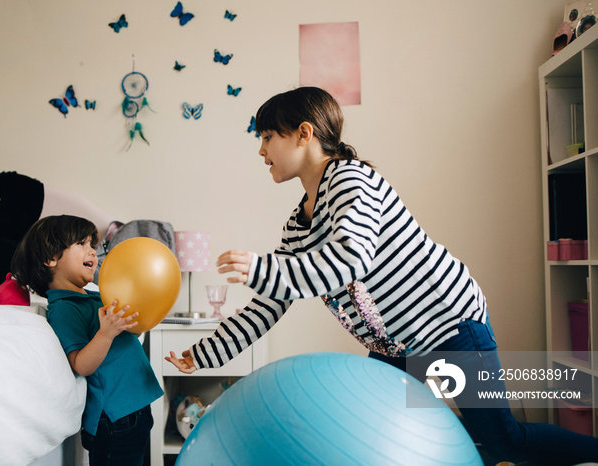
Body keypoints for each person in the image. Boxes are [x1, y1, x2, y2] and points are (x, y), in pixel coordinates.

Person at [166, 87, 598, 463]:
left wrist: (262, 267)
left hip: (448, 325)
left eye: (267, 137)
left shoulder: (352, 181)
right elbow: (268, 305)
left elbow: (349, 262)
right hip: (396, 346)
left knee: (505, 441)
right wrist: (204, 354)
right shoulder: (298, 225)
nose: (261, 151)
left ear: (303, 134)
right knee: (374, 432)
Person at [12, 215, 162, 466]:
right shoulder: (64, 308)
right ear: (51, 258)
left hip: (134, 407)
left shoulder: (95, 298)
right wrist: (106, 333)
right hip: (114, 417)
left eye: (92, 244)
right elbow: (80, 363)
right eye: (82, 243)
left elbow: (124, 338)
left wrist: (131, 323)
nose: (92, 250)